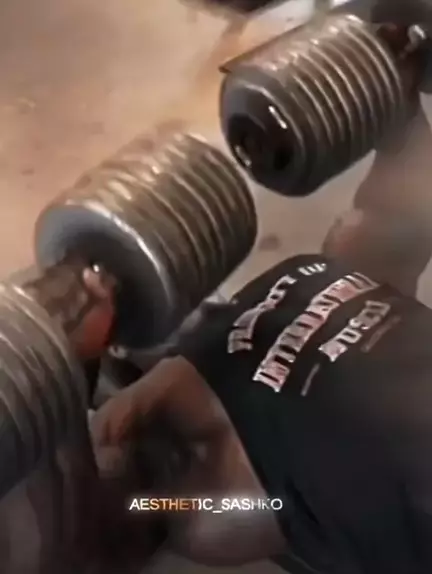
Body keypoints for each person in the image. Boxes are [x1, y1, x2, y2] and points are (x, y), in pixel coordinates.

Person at [90, 37, 432, 574]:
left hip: (212, 460)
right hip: (271, 354)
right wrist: (396, 107)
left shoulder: (209, 507)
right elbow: (393, 225)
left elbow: (119, 519)